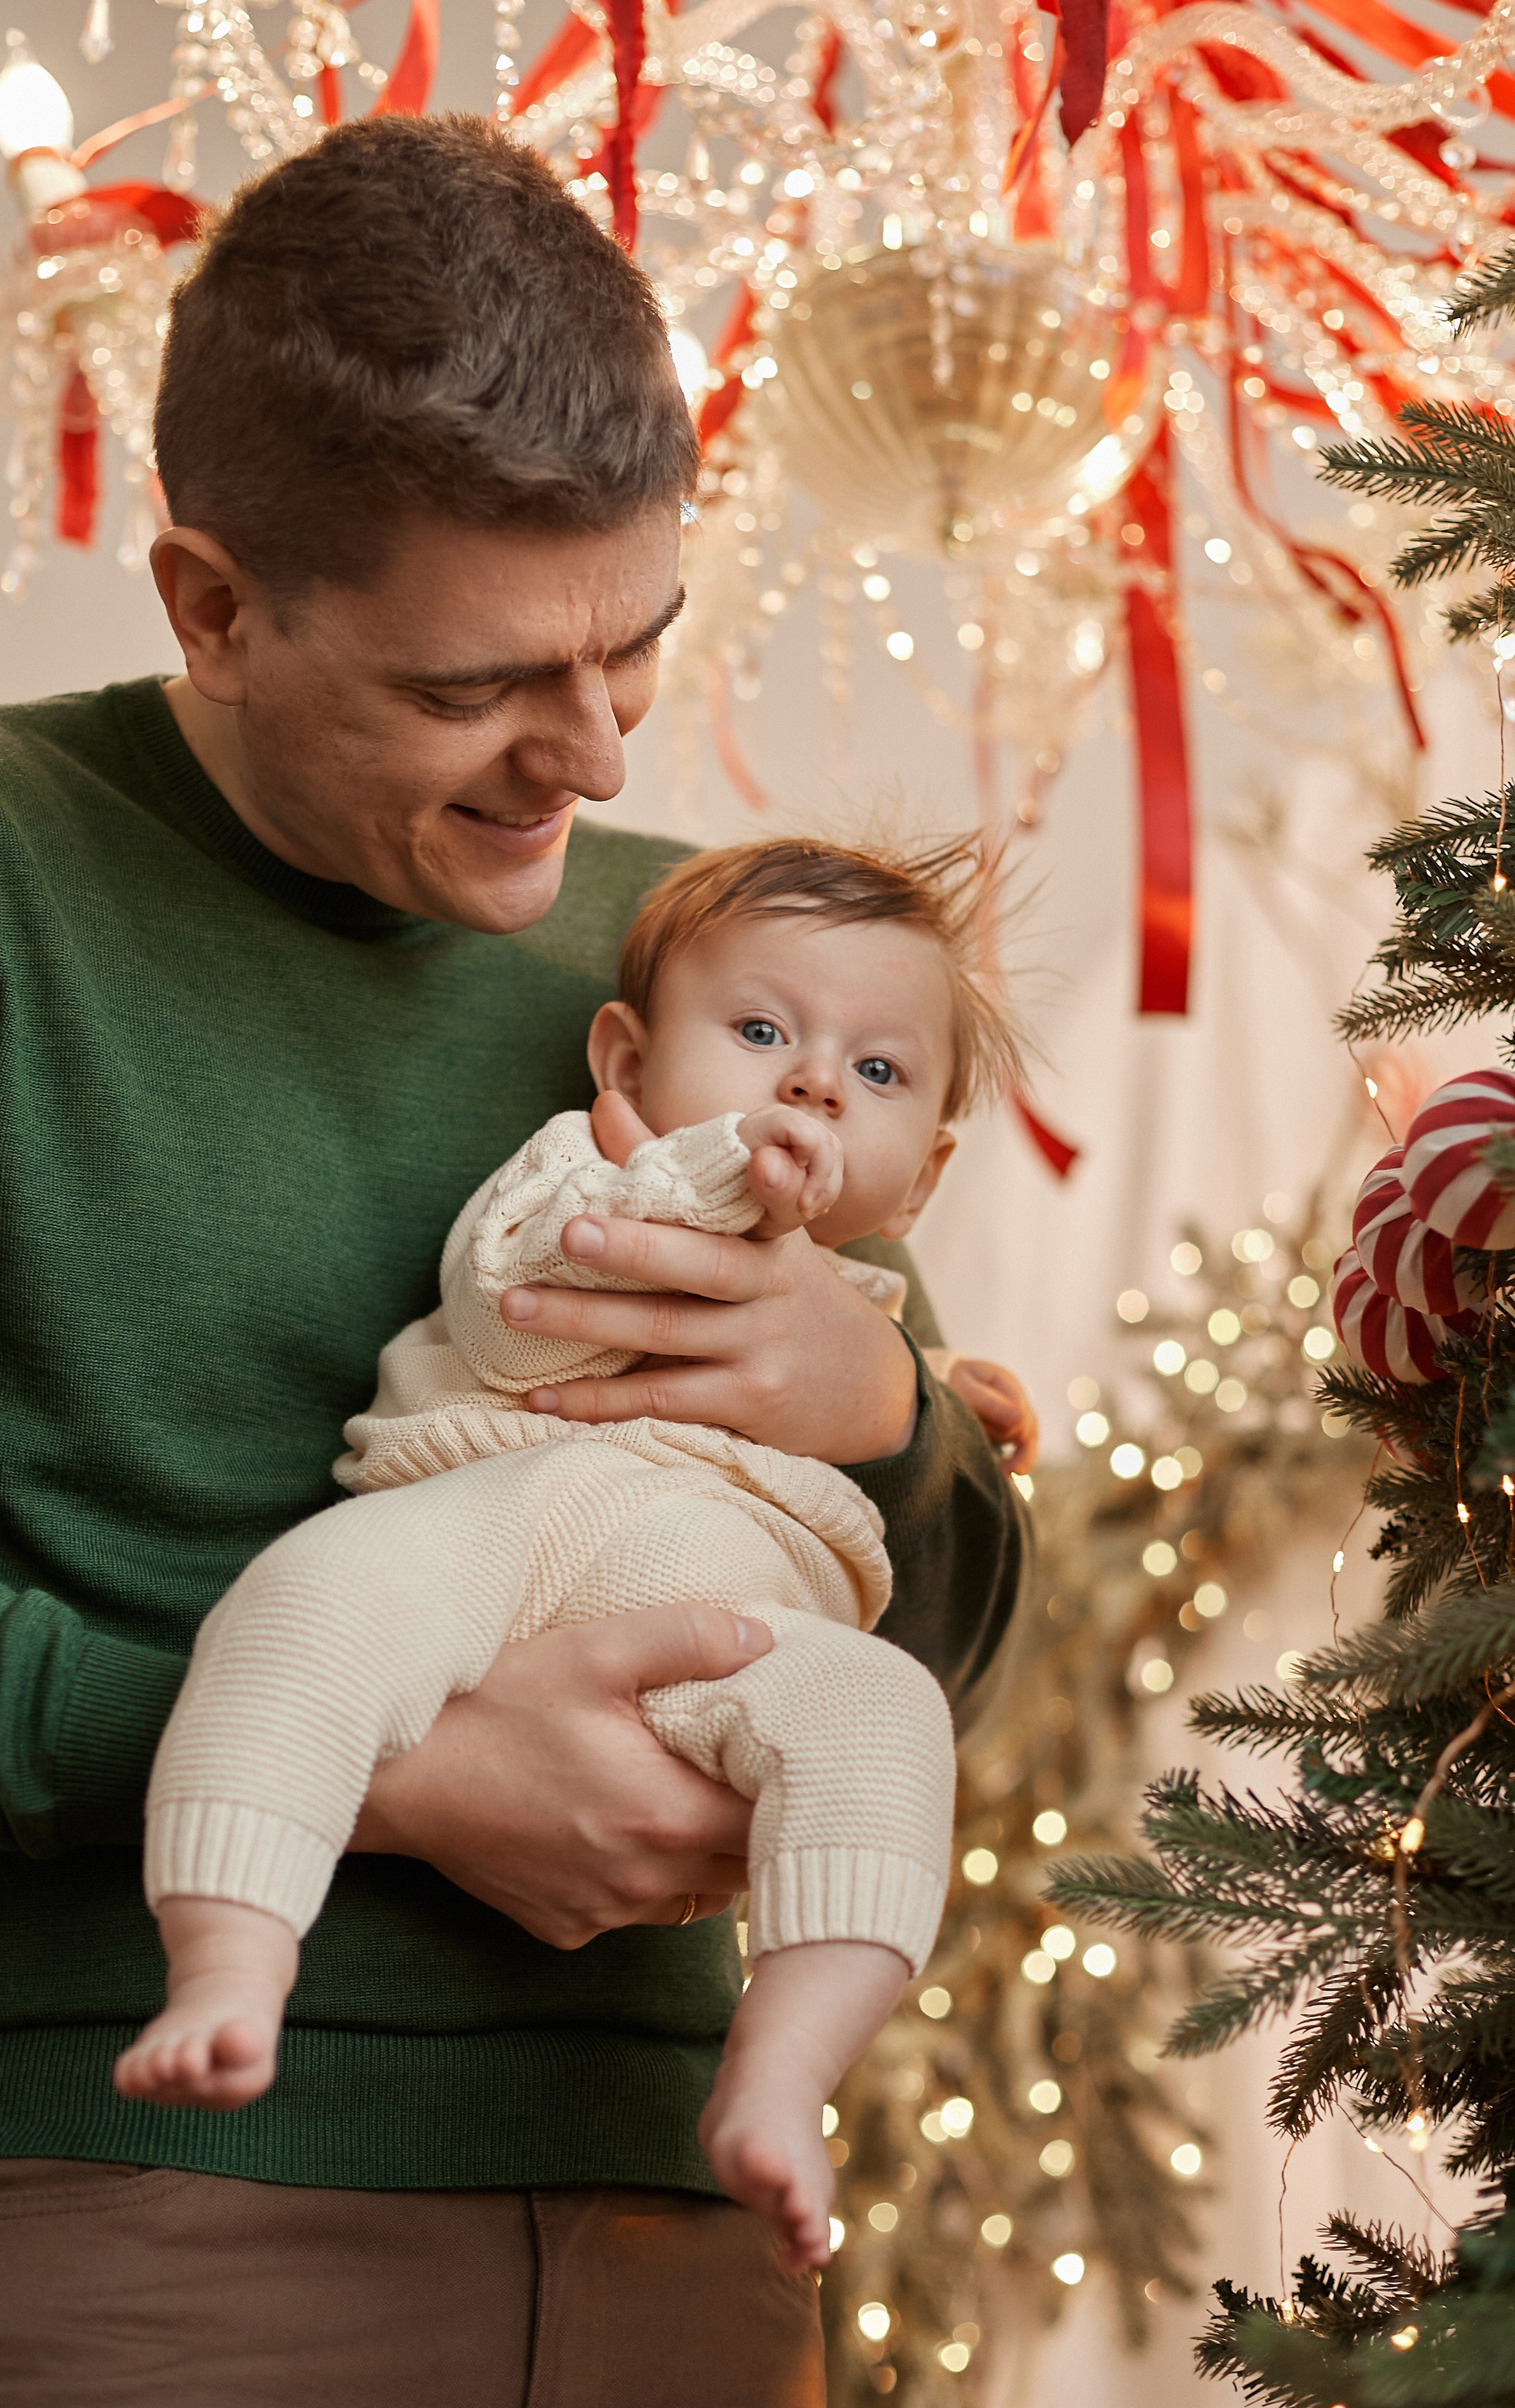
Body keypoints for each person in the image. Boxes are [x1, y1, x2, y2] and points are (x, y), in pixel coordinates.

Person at [0, 113, 1025, 2408]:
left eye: (636, 645)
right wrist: (371, 1771)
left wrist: (896, 1423)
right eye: (479, 684)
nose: (597, 757)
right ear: (211, 602)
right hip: (122, 2238)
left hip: (695, 2272)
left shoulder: (711, 967)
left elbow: (928, 1632)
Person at [116, 833, 1038, 2279]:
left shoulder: (858, 1309)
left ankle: (781, 2073)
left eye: (876, 1071)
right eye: (761, 1035)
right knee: (302, 1610)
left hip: (724, 1604)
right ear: (626, 1060)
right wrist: (714, 1172)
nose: (811, 1084)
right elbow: (507, 1304)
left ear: (918, 1179)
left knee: (883, 1719)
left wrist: (924, 1400)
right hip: (486, 1523)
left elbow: (912, 1489)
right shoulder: (572, 1170)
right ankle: (230, 1956)